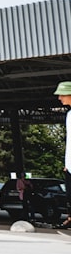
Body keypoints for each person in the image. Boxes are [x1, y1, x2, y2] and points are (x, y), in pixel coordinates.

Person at [55, 81, 71, 228]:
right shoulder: (69, 114)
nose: (60, 98)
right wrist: (67, 163)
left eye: (62, 94)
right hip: (70, 165)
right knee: (69, 194)